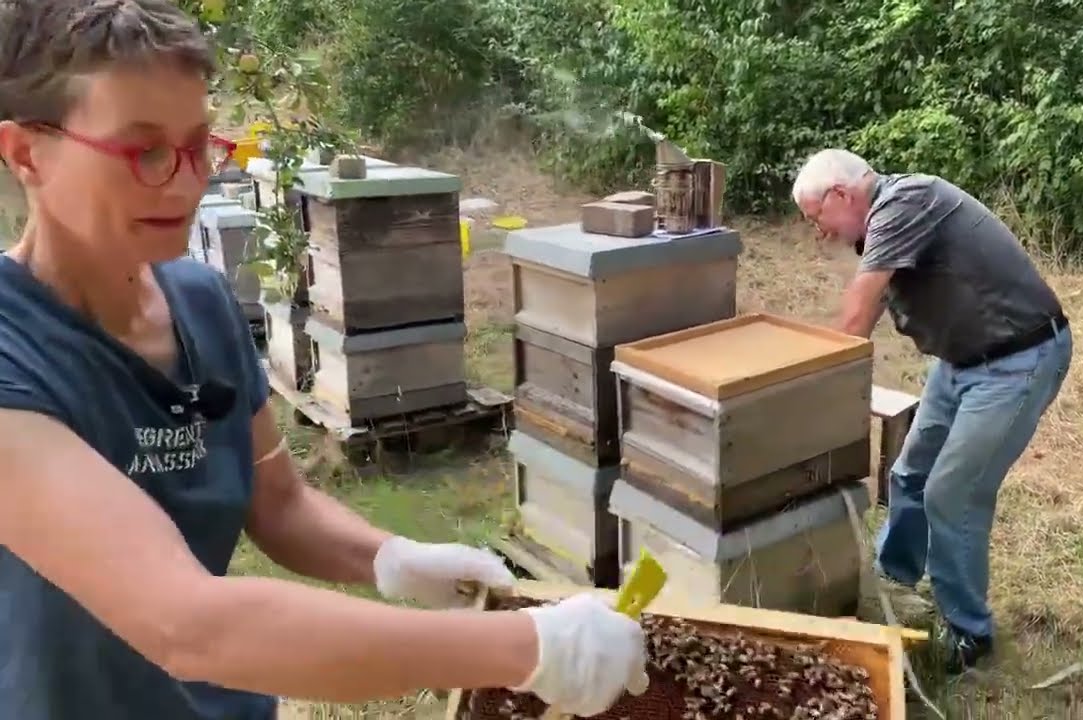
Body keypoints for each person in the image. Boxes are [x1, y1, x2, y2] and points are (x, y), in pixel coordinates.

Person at [0, 2, 648, 718]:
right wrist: (524, 649)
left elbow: (278, 503)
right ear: (27, 152)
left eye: (198, 146)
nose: (186, 184)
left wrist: (388, 556)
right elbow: (188, 624)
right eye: (144, 151)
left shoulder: (202, 301)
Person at [791, 149, 1073, 673]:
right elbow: (870, 305)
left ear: (840, 196)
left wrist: (793, 388)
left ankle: (969, 633)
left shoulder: (906, 201)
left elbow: (856, 315)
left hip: (1017, 359)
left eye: (817, 218)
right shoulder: (884, 217)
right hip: (961, 361)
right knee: (910, 474)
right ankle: (892, 585)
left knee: (953, 494)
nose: (820, 233)